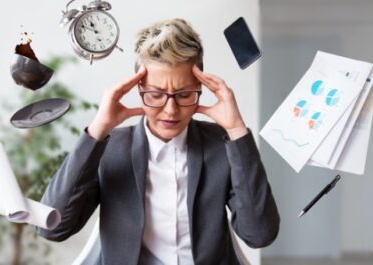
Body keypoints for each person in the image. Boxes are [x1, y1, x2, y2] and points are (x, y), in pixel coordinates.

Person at [38, 18, 280, 265]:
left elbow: (259, 235)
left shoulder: (222, 144)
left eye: (184, 95)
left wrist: (237, 130)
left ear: (201, 87)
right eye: (155, 95)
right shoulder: (110, 148)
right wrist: (97, 130)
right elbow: (52, 228)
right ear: (138, 88)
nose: (170, 110)